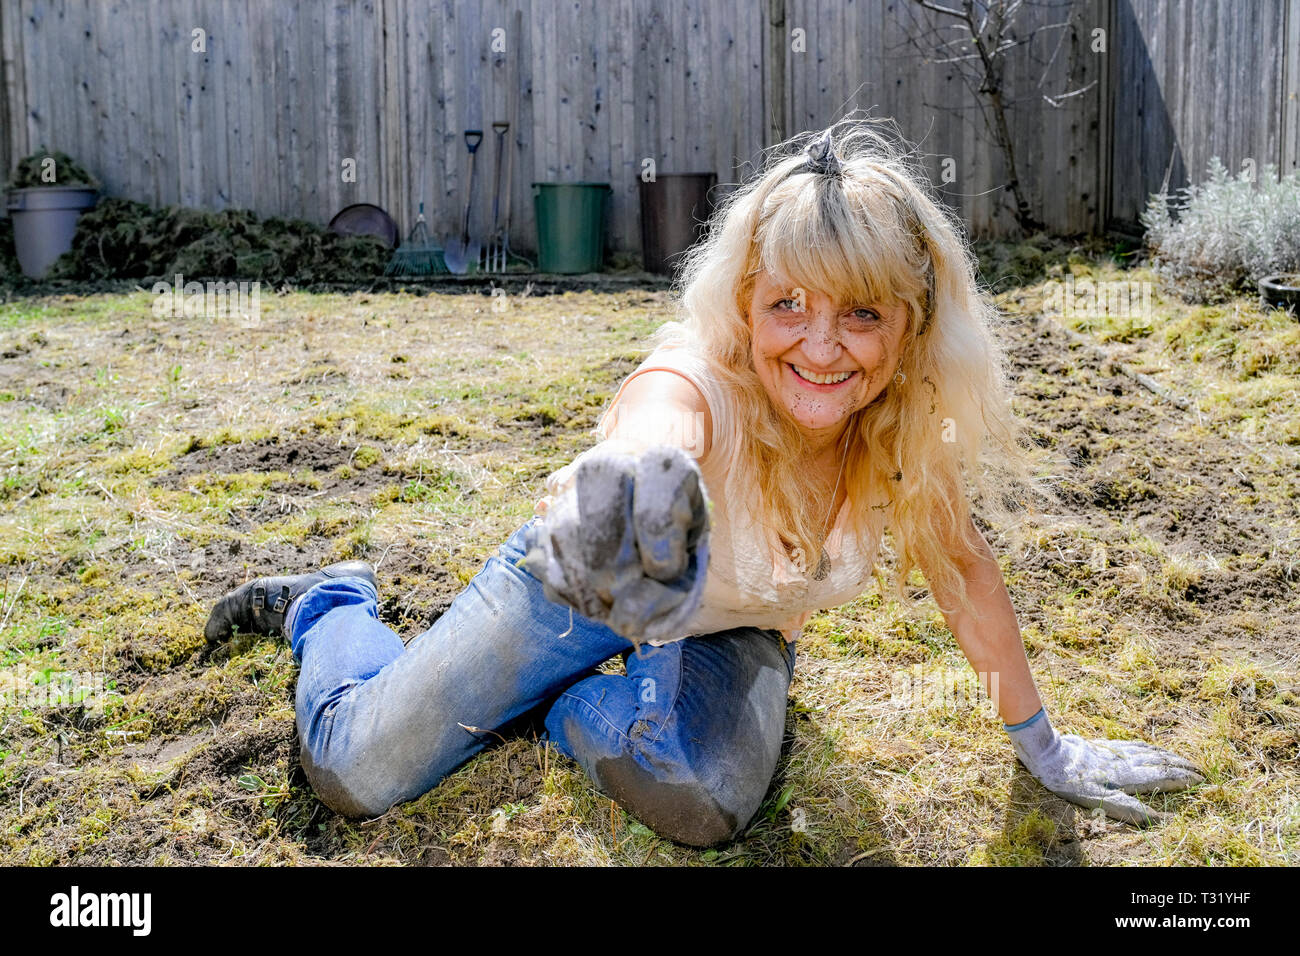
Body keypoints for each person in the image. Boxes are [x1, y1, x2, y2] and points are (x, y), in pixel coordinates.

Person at [204, 118, 1203, 846]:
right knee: (352, 770)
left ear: (909, 329)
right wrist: (641, 480)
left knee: (702, 804)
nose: (819, 347)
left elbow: (963, 572)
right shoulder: (699, 373)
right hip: (579, 585)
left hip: (730, 628)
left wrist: (1042, 746)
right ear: (743, 300)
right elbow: (656, 420)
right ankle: (330, 600)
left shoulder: (908, 425)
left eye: (859, 313)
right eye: (786, 304)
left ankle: (552, 702)